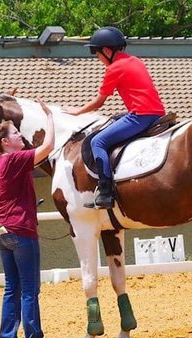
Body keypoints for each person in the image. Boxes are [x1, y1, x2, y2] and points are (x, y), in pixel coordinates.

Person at [0, 98, 59, 338]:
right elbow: (47, 146)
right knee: (29, 289)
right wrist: (50, 117)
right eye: (15, 133)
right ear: (5, 142)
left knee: (11, 288)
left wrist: (11, 208)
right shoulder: (15, 160)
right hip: (20, 231)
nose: (20, 135)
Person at [62, 26, 165, 209]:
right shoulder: (135, 60)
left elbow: (99, 102)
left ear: (107, 51)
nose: (99, 59)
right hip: (156, 113)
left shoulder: (114, 68)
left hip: (140, 116)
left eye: (97, 54)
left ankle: (106, 192)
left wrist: (77, 111)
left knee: (97, 142)